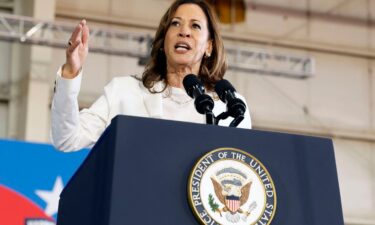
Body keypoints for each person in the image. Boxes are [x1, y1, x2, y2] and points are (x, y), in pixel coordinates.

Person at [51, 0, 252, 152]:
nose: (184, 32)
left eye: (195, 26)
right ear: (164, 41)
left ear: (209, 46)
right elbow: (67, 139)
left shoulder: (230, 106)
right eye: (175, 24)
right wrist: (70, 73)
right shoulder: (124, 91)